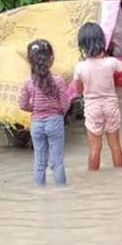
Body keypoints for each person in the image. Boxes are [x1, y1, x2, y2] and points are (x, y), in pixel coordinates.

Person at [18, 39, 77, 186]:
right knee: (57, 163)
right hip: (55, 121)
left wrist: (34, 108)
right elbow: (65, 103)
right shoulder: (58, 81)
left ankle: (39, 196)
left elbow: (22, 104)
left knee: (39, 164)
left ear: (31, 62)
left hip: (36, 124)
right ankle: (62, 195)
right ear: (51, 60)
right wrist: (59, 113)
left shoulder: (28, 82)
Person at [73, 22, 122, 170]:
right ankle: (120, 175)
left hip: (92, 108)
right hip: (111, 106)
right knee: (115, 145)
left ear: (82, 45)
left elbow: (78, 90)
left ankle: (93, 181)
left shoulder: (80, 67)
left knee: (95, 148)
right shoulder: (111, 63)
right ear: (102, 42)